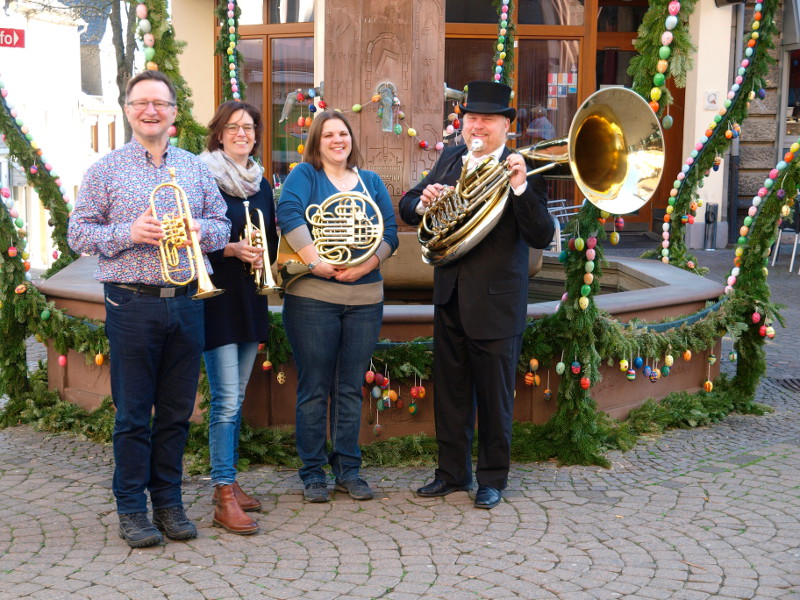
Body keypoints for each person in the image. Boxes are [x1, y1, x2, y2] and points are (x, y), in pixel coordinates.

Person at [68, 70, 231, 547]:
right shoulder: (106, 170)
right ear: (127, 110)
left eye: (159, 103)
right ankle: (132, 510)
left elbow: (221, 226)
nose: (150, 110)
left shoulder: (196, 169)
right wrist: (127, 233)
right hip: (131, 302)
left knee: (178, 413)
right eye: (141, 103)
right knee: (134, 414)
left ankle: (169, 503)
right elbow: (78, 234)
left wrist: (200, 229)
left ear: (174, 113)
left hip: (186, 302)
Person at [399, 81, 555, 510]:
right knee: (450, 392)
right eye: (471, 118)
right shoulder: (450, 158)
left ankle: (491, 479)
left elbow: (541, 232)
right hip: (450, 297)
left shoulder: (525, 166)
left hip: (497, 302)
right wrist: (424, 202)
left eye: (487, 119)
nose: (477, 126)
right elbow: (408, 205)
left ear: (506, 125)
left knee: (494, 395)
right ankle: (451, 474)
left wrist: (520, 189)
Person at [276, 111, 398, 503]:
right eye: (327, 134)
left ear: (351, 139)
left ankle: (349, 469)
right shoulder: (304, 176)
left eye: (342, 133)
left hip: (364, 299)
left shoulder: (371, 181)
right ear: (317, 140)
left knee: (349, 388)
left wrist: (364, 265)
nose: (336, 140)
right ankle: (312, 473)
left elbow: (390, 233)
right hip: (312, 298)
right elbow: (289, 213)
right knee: (314, 387)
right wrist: (315, 261)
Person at [198, 101, 278, 535]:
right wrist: (229, 249)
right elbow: (187, 236)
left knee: (237, 396)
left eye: (248, 126)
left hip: (251, 296)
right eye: (233, 127)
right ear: (219, 133)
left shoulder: (260, 181)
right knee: (226, 401)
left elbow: (270, 235)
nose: (241, 133)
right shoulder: (202, 175)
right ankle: (224, 494)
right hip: (217, 298)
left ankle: (225, 483)